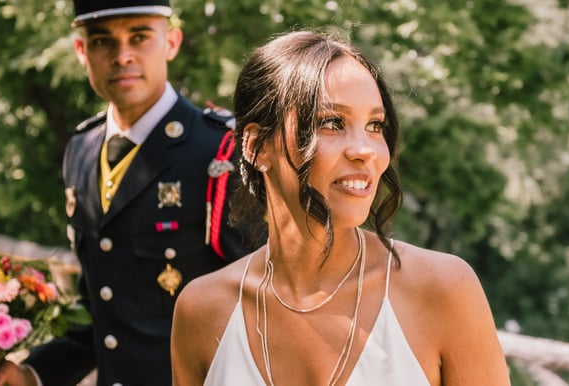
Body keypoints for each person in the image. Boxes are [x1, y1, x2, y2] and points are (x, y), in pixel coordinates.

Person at [171, 29, 511, 385]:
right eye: (332, 123)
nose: (365, 151)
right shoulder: (202, 310)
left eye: (374, 125)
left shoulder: (443, 289)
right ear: (257, 147)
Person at [0, 1, 258, 385]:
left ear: (171, 42)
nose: (122, 55)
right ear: (81, 51)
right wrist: (32, 373)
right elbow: (100, 310)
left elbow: (262, 309)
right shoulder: (82, 150)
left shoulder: (219, 151)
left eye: (139, 37)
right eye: (103, 41)